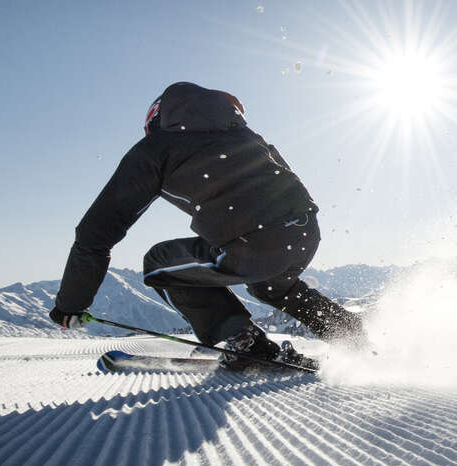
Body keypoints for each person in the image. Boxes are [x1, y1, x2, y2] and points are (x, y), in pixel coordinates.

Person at [49, 82, 366, 368]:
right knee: (271, 286)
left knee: (159, 264)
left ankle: (247, 342)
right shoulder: (248, 137)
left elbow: (96, 232)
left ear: (155, 121)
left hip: (254, 244)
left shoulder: (157, 148)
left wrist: (71, 304)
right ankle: (351, 335)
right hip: (304, 234)